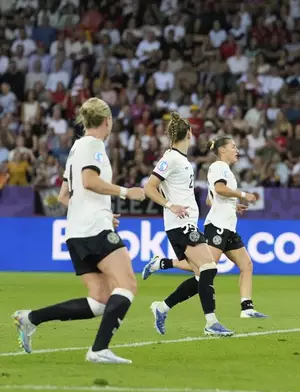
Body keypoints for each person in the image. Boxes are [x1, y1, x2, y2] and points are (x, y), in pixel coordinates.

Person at [12, 98, 146, 364]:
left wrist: (103, 212)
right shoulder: (94, 145)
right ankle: (98, 350)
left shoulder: (75, 149)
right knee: (128, 284)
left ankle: (30, 319)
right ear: (107, 121)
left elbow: (64, 195)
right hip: (93, 229)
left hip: (77, 231)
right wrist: (125, 191)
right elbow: (89, 181)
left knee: (100, 300)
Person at [143, 136, 267, 328]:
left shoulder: (224, 170)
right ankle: (163, 269)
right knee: (204, 270)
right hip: (217, 226)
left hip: (228, 226)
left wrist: (233, 206)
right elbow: (219, 189)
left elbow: (211, 199)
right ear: (223, 149)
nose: (237, 150)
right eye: (233, 147)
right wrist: (243, 194)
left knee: (246, 265)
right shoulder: (219, 167)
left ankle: (247, 308)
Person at [143, 112, 233, 337]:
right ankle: (211, 323)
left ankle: (161, 307)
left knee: (201, 276)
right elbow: (149, 187)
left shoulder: (181, 160)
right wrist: (170, 205)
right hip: (180, 225)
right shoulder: (171, 158)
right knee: (209, 268)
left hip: (188, 223)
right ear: (189, 134)